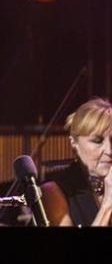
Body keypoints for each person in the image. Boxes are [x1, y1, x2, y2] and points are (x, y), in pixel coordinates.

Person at [41, 97, 112, 227]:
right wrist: (107, 205)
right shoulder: (52, 191)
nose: (109, 150)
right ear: (74, 143)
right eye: (97, 141)